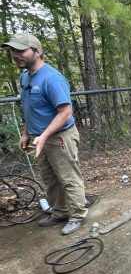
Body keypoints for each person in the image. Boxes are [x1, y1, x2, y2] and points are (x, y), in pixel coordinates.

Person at [3, 32, 88, 235]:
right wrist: (26, 133)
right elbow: (30, 108)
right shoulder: (25, 77)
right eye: (13, 51)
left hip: (60, 137)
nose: (16, 55)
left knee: (68, 178)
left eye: (21, 50)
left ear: (37, 51)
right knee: (49, 178)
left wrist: (44, 135)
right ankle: (59, 212)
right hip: (39, 138)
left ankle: (77, 215)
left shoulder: (52, 78)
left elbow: (65, 112)